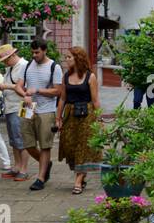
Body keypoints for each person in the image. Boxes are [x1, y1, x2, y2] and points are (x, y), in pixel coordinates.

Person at [16, 38, 63, 191]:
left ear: (44, 51)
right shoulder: (28, 65)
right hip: (27, 108)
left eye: (37, 52)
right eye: (33, 52)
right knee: (27, 144)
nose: (34, 55)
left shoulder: (54, 67)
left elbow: (58, 91)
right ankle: (46, 163)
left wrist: (37, 90)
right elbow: (18, 86)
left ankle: (41, 178)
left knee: (45, 146)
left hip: (46, 110)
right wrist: (25, 94)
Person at [57, 46, 102, 194]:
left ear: (78, 58)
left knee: (84, 147)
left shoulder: (91, 77)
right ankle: (81, 177)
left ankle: (77, 181)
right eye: (66, 57)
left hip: (87, 115)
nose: (66, 59)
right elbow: (62, 98)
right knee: (70, 146)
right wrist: (58, 118)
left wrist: (99, 120)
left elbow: (95, 101)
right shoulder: (65, 77)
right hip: (70, 114)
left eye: (69, 57)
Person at [0, 43, 29, 181]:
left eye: (6, 60)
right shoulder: (10, 68)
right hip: (10, 106)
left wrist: (5, 86)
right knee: (14, 139)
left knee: (23, 138)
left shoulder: (24, 66)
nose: (5, 63)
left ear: (13, 55)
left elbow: (25, 87)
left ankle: (24, 169)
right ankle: (17, 166)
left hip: (22, 106)